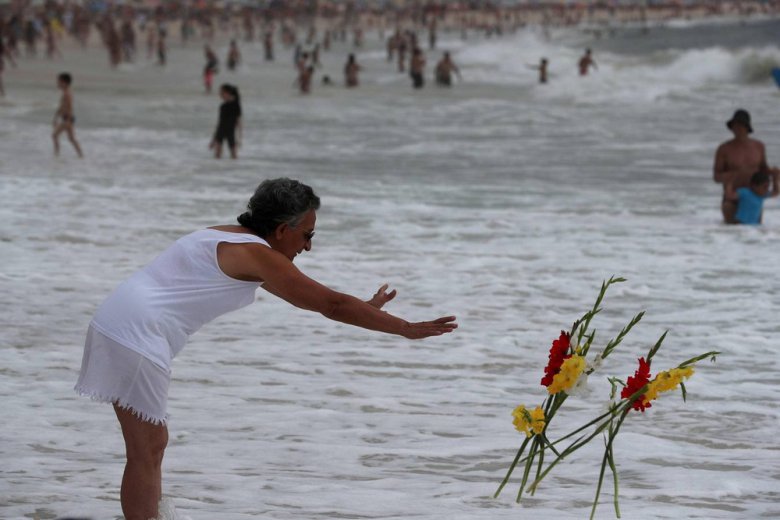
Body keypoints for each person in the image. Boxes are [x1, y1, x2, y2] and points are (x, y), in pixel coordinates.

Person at [74, 178, 458, 520]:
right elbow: (331, 304)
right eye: (307, 235)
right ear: (281, 229)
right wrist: (405, 329)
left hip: (121, 323)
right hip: (138, 333)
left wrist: (368, 309)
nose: (309, 246)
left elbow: (311, 299)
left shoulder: (232, 239)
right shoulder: (257, 254)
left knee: (150, 445)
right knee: (147, 449)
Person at [713, 109, 779, 223]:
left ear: (747, 127)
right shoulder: (724, 149)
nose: (737, 128)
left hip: (754, 197)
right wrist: (729, 177)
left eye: (740, 125)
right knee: (733, 231)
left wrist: (774, 173)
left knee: (753, 230)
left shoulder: (759, 146)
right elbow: (716, 176)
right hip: (732, 198)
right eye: (735, 125)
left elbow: (763, 169)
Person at [52, 72, 84, 158]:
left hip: (67, 119)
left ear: (64, 83)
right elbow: (61, 107)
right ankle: (81, 155)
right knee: (71, 139)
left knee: (54, 135)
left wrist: (68, 121)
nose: (57, 83)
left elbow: (69, 107)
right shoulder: (65, 93)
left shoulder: (67, 94)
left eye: (59, 81)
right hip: (67, 119)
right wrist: (55, 117)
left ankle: (56, 155)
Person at [209, 84, 242, 159]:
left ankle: (234, 167)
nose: (220, 94)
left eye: (221, 92)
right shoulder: (222, 106)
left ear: (228, 93)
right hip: (221, 131)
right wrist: (213, 140)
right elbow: (220, 123)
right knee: (217, 155)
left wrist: (239, 138)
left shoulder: (236, 105)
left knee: (234, 156)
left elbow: (239, 123)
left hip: (231, 132)